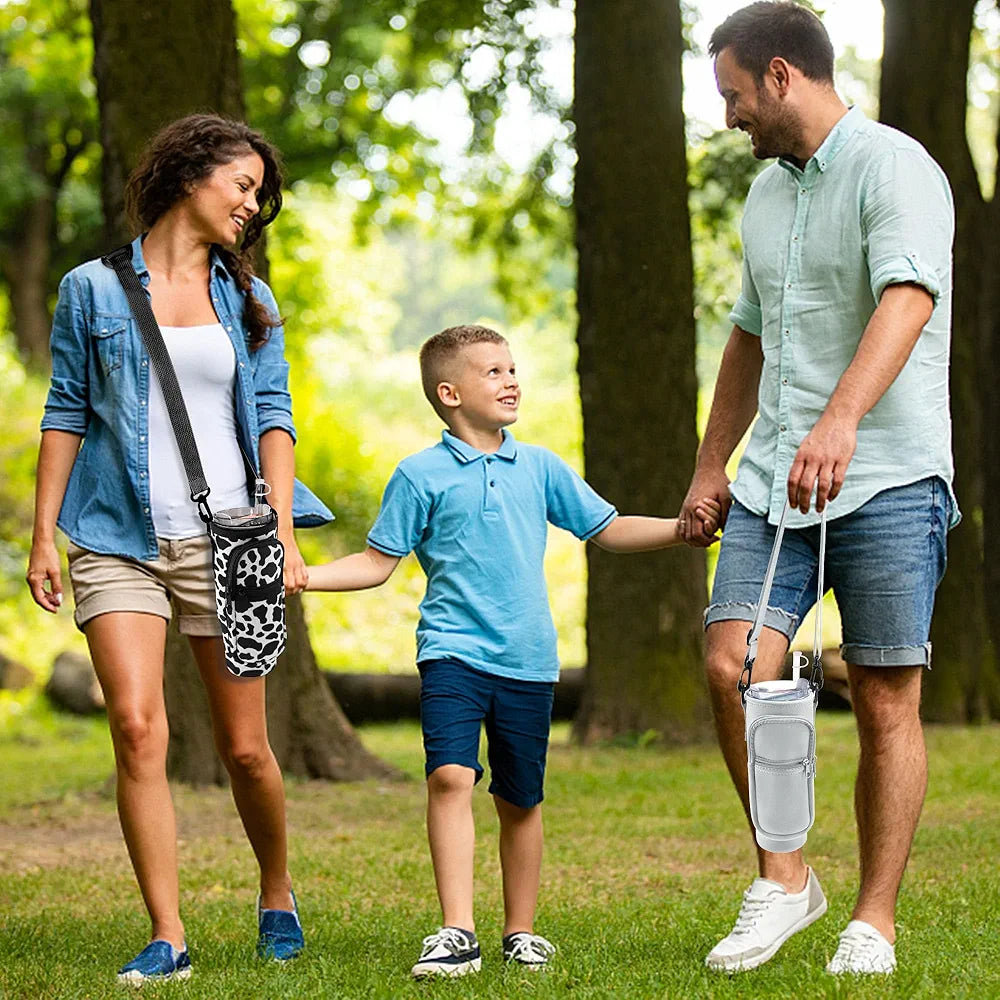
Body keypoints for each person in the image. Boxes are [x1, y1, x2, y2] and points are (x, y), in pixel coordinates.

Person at [677, 1, 956, 977]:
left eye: (734, 95)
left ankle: (871, 921)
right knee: (730, 664)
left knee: (882, 695)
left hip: (886, 476)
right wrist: (714, 464)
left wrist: (840, 419)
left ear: (782, 75)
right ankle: (785, 878)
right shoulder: (764, 198)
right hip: (770, 484)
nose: (728, 118)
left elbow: (908, 298)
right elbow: (747, 337)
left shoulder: (894, 168)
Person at [306, 325, 720, 978]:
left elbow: (607, 529)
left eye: (512, 368)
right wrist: (302, 576)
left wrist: (679, 530)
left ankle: (520, 931)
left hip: (527, 662)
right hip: (451, 654)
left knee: (520, 799)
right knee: (450, 775)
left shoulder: (541, 467)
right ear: (449, 393)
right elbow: (374, 562)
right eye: (492, 372)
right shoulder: (419, 475)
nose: (511, 380)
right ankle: (457, 932)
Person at [26, 114, 332, 984]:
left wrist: (277, 527)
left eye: (258, 196)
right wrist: (43, 535)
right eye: (242, 185)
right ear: (190, 173)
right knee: (134, 726)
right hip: (117, 535)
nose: (251, 204)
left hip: (228, 538)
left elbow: (275, 419)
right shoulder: (90, 288)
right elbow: (65, 411)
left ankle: (277, 890)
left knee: (245, 748)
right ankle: (169, 932)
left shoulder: (251, 299)